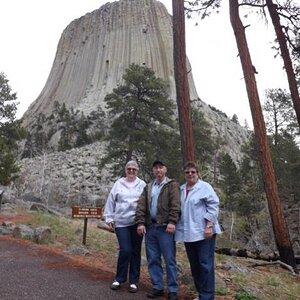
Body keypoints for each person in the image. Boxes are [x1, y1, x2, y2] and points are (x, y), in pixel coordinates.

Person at [175, 161, 222, 300]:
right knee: (195, 265)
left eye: (193, 172)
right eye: (187, 172)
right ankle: (202, 293)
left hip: (204, 232)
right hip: (189, 233)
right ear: (184, 174)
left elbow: (214, 205)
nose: (190, 174)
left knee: (205, 264)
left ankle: (207, 296)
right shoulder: (182, 189)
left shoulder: (204, 187)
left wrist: (209, 226)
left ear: (197, 173)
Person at [135, 160, 180, 300]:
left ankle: (172, 290)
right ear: (153, 171)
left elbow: (176, 204)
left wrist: (172, 221)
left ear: (165, 170)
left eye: (161, 168)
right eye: (156, 168)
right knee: (153, 259)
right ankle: (157, 287)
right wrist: (140, 223)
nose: (158, 170)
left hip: (165, 228)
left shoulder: (172, 185)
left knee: (169, 259)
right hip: (150, 228)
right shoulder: (148, 187)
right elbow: (141, 206)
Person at [103, 160, 146, 293]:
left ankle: (133, 281)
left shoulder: (142, 184)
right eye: (129, 169)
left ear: (137, 171)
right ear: (125, 170)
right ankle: (119, 278)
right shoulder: (118, 184)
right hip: (121, 222)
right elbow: (111, 201)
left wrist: (144, 222)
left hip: (137, 222)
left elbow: (146, 203)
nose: (131, 171)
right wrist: (109, 218)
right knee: (125, 249)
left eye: (134, 169)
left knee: (135, 251)